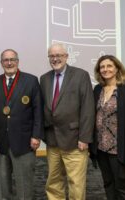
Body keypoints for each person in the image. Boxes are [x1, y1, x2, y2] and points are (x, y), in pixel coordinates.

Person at [0, 49, 44, 200]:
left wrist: (36, 136)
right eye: (6, 60)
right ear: (1, 63)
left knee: (24, 183)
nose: (9, 63)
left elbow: (38, 111)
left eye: (12, 59)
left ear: (18, 61)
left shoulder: (31, 80)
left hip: (24, 141)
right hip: (1, 140)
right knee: (3, 182)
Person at [40, 43, 95, 200]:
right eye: (52, 56)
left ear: (66, 56)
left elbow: (87, 109)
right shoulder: (44, 79)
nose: (55, 59)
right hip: (52, 141)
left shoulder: (80, 75)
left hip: (75, 140)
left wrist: (84, 138)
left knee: (76, 183)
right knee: (53, 182)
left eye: (59, 55)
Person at [90, 55, 125, 200]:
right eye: (102, 67)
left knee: (122, 186)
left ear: (117, 68)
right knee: (108, 184)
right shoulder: (98, 89)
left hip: (120, 149)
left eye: (109, 66)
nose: (105, 69)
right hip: (101, 148)